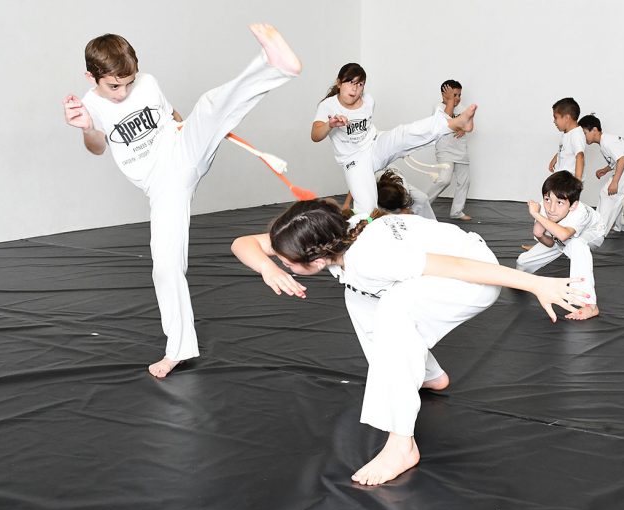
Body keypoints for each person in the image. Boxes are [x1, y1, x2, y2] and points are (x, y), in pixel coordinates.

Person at [231, 199, 588, 485]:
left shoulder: (371, 256)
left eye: (287, 262)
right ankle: (429, 374)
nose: (283, 263)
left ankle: (402, 443)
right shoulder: (335, 227)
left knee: (394, 308)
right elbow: (243, 243)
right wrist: (268, 267)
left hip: (473, 275)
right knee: (358, 295)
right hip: (441, 264)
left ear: (319, 258)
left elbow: (460, 268)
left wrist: (536, 284)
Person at [63, 24, 301, 378]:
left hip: (182, 150)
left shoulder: (149, 82)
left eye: (129, 81)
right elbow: (98, 146)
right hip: (162, 185)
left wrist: (197, 131)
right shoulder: (92, 105)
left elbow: (172, 116)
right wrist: (85, 127)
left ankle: (276, 67)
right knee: (166, 265)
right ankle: (178, 349)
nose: (123, 91)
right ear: (91, 77)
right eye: (114, 85)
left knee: (208, 107)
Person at [311, 63, 477, 215]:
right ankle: (360, 237)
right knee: (367, 207)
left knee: (404, 134)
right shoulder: (328, 105)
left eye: (360, 84)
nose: (355, 89)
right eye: (350, 82)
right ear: (339, 83)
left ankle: (455, 123)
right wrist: (330, 125)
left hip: (375, 145)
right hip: (354, 160)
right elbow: (315, 135)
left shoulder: (368, 101)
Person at [516, 171, 605, 320]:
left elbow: (564, 235)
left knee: (577, 246)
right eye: (547, 199)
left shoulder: (580, 212)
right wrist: (539, 235)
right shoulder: (544, 207)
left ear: (573, 205)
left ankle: (589, 305)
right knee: (522, 263)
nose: (551, 208)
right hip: (561, 239)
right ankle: (520, 277)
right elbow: (551, 243)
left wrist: (536, 215)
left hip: (592, 234)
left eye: (560, 203)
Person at [578, 114, 624, 234]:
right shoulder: (605, 142)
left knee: (608, 194)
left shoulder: (607, 141)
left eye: (584, 133)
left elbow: (622, 159)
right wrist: (606, 169)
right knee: (622, 197)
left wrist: (615, 181)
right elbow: (617, 159)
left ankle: (598, 231)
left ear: (594, 130)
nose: (583, 137)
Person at [426, 80, 472, 220]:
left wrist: (464, 129)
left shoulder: (462, 107)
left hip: (460, 150)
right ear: (444, 94)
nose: (457, 98)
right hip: (445, 150)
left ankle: (457, 212)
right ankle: (421, 205)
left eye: (459, 95)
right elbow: (446, 122)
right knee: (444, 180)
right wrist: (450, 101)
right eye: (454, 95)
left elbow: (468, 124)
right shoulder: (438, 107)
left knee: (464, 181)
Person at [343, 167, 436, 220]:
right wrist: (346, 203)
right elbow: (355, 184)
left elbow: (405, 209)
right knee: (372, 213)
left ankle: (431, 225)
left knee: (422, 198)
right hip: (381, 181)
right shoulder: (369, 181)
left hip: (394, 183)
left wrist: (405, 212)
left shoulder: (402, 186)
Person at [549, 97, 585, 181]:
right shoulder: (567, 133)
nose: (554, 121)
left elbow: (580, 156)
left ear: (566, 118)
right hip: (561, 178)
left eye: (556, 117)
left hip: (569, 182)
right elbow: (563, 149)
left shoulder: (576, 134)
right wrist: (555, 159)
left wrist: (577, 181)